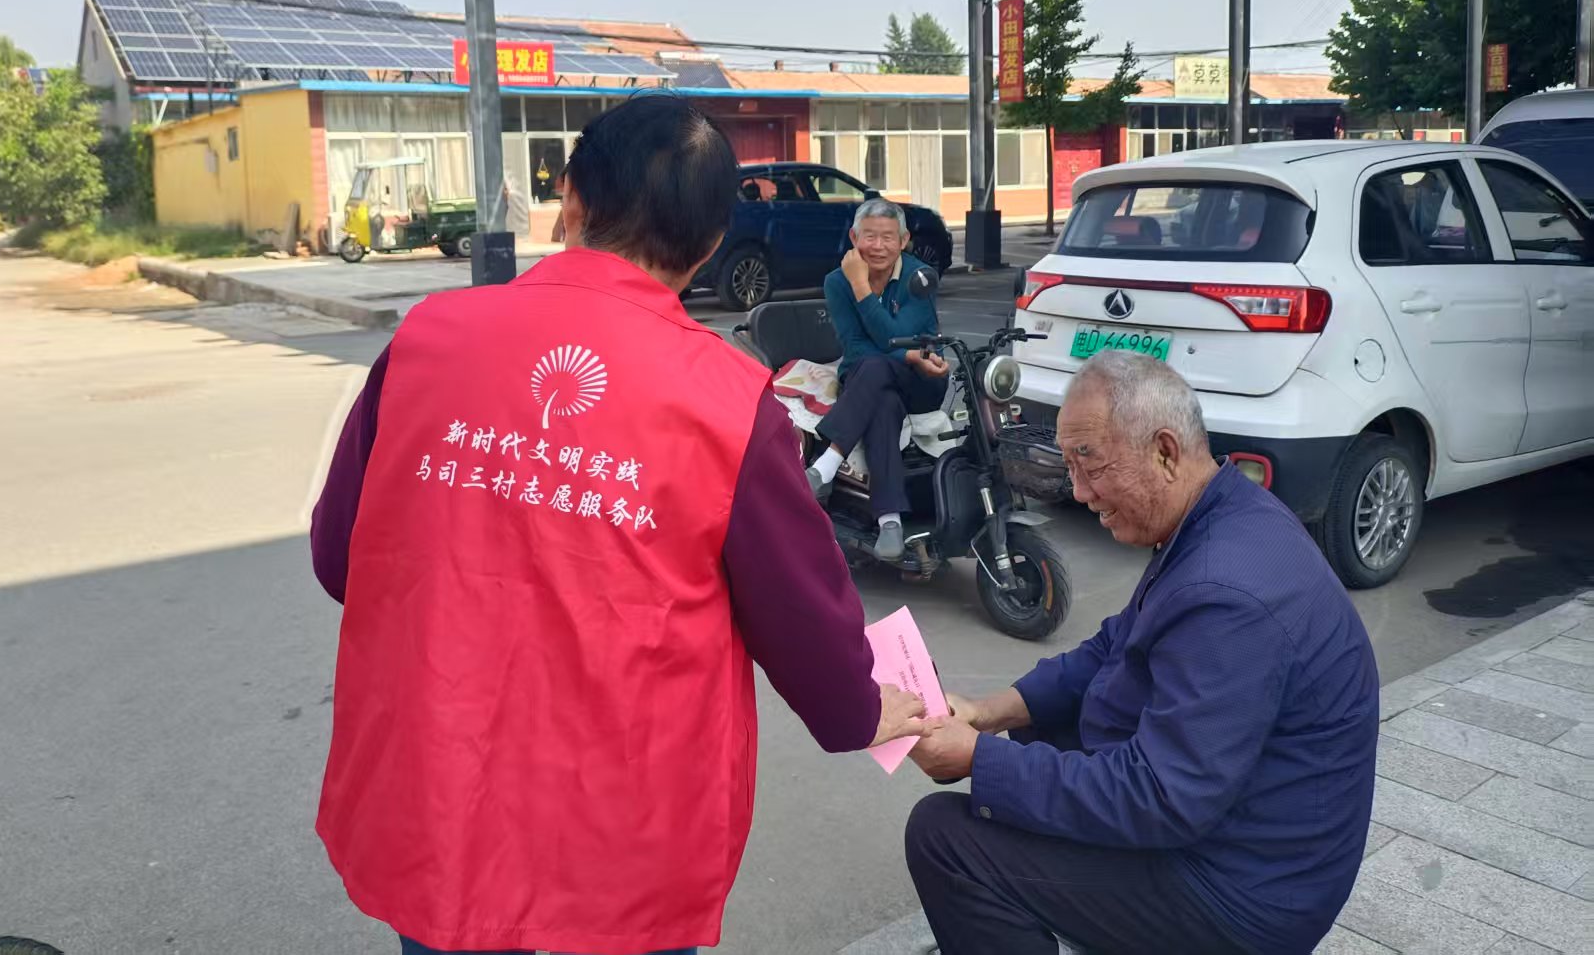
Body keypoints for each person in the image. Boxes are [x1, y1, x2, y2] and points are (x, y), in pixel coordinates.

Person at [310, 93, 926, 955]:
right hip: (624, 819)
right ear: (712, 242)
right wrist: (859, 707)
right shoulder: (727, 401)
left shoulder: (426, 340)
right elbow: (799, 608)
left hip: (444, 783)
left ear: (570, 199)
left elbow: (340, 556)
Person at [905, 351, 1379, 955]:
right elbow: (1115, 644)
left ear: (1164, 452)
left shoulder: (1224, 595)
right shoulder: (1222, 512)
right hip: (1243, 828)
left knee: (944, 837)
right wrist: (985, 714)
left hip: (1246, 895)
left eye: (1090, 463)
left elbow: (1161, 797)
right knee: (1041, 734)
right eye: (1070, 466)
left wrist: (978, 758)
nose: (1080, 492)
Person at [804, 199, 948, 560]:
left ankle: (826, 463)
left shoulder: (920, 277)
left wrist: (861, 286)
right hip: (868, 378)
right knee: (881, 396)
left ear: (904, 240)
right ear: (854, 238)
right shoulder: (836, 282)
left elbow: (895, 338)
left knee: (876, 364)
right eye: (870, 236)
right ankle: (890, 521)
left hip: (921, 381)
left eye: (888, 237)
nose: (879, 246)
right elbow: (854, 347)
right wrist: (906, 353)